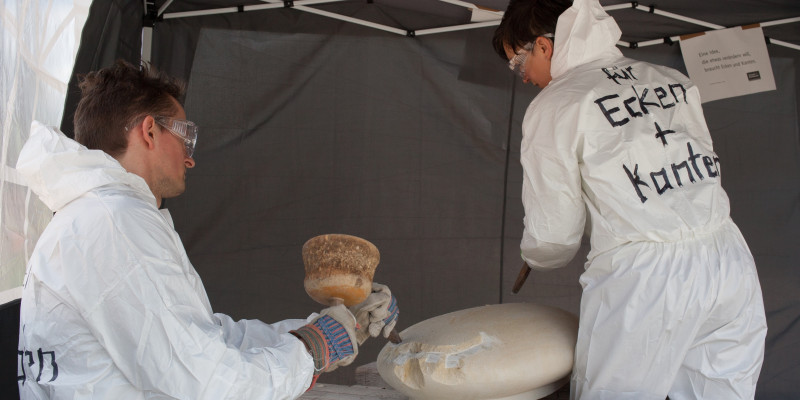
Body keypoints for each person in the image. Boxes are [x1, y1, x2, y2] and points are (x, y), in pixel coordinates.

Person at [16, 59, 398, 399]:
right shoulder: (115, 224)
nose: (189, 157)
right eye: (185, 136)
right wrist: (313, 350)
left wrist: (324, 328)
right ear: (149, 132)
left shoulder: (97, 216)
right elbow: (206, 381)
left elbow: (206, 337)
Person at [493, 0, 767, 399]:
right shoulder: (670, 78)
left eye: (518, 63)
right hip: (727, 259)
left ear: (544, 46)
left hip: (645, 280)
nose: (523, 77)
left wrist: (537, 255)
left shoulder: (556, 104)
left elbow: (555, 235)